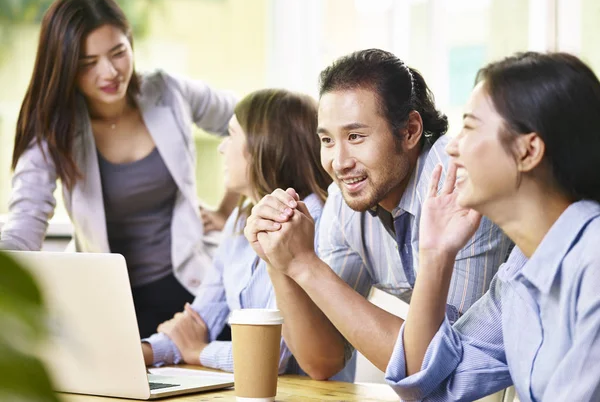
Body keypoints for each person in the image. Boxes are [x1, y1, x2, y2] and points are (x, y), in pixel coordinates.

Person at [244, 49, 513, 379]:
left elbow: (443, 367)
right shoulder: (346, 202)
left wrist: (306, 265)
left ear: (411, 130)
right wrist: (280, 260)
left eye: (355, 136)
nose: (339, 162)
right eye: (327, 140)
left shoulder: (460, 188)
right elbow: (323, 361)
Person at [0, 0, 238, 338]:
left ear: (130, 44)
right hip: (113, 304)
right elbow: (25, 225)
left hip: (191, 291)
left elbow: (254, 126)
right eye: (88, 63)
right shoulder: (54, 130)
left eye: (118, 53)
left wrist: (227, 209)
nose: (109, 72)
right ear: (65, 67)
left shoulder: (168, 93)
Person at [384, 52, 600, 401]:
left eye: (469, 127)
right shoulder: (520, 273)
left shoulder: (593, 263)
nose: (452, 148)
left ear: (528, 151)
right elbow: (429, 386)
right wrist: (436, 254)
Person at [141, 88, 355, 380]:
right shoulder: (239, 220)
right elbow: (198, 319)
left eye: (231, 135)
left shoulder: (316, 220)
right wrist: (142, 352)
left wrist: (198, 352)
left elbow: (273, 353)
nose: (221, 148)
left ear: (263, 147)